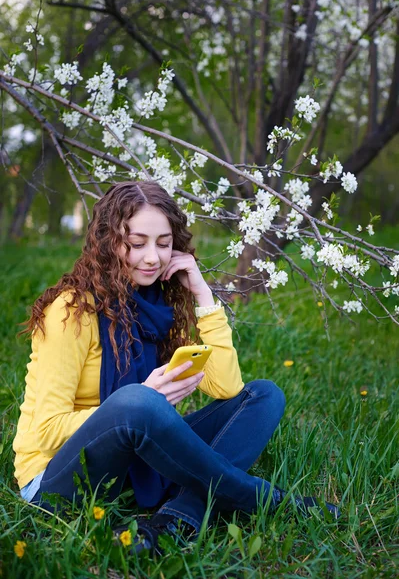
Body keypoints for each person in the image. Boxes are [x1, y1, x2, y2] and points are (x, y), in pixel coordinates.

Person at [13, 180, 339, 554]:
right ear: (107, 243)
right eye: (136, 244)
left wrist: (202, 293)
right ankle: (263, 498)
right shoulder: (72, 311)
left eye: (163, 244)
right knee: (137, 403)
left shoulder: (158, 305)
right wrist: (134, 404)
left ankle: (176, 519)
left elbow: (226, 388)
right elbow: (46, 431)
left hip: (132, 462)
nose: (152, 257)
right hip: (54, 481)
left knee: (263, 395)